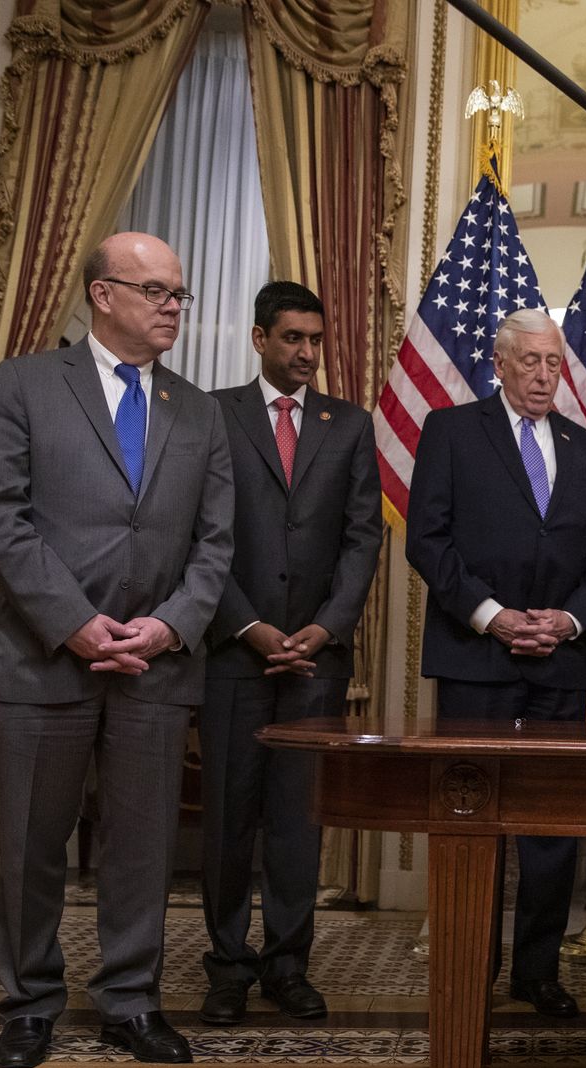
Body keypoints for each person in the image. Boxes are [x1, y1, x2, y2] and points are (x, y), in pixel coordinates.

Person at [0, 232, 233, 1068]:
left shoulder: (200, 410)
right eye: (155, 291)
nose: (172, 307)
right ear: (102, 295)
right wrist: (75, 622)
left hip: (155, 664)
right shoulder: (23, 383)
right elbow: (0, 516)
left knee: (142, 845)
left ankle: (131, 998)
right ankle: (30, 1005)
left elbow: (217, 545)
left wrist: (167, 626)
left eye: (178, 294)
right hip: (43, 657)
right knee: (31, 846)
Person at [404, 307, 586, 1020]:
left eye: (553, 363)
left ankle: (537, 971)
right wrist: (494, 617)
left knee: (552, 828)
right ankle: (471, 965)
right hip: (476, 661)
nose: (542, 375)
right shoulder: (451, 431)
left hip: (558, 664)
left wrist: (568, 621)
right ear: (498, 364)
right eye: (528, 361)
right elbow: (427, 542)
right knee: (473, 820)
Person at [196, 281, 383, 1025]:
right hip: (233, 656)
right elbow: (196, 533)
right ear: (259, 339)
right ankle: (226, 968)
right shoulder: (213, 415)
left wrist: (326, 627)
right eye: (292, 339)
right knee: (229, 822)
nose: (307, 353)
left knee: (298, 822)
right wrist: (247, 625)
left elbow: (363, 537)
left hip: (315, 660)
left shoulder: (350, 425)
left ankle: (286, 967)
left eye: (315, 339)